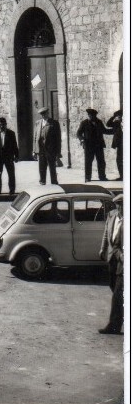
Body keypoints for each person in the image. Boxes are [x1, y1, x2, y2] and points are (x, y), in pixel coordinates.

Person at [98, 194, 124, 335]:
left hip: (123, 262)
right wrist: (103, 248)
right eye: (118, 205)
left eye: (122, 205)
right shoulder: (112, 215)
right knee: (114, 287)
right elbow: (106, 234)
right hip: (112, 258)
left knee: (118, 294)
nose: (120, 208)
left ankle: (114, 325)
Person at [77, 108, 110, 182]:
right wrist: (82, 139)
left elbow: (104, 130)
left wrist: (114, 131)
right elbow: (78, 133)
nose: (90, 116)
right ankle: (87, 177)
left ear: (95, 115)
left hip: (99, 145)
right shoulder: (84, 123)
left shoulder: (99, 122)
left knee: (101, 161)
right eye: (89, 115)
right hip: (89, 146)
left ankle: (102, 177)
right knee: (88, 162)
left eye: (92, 115)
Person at [0, 117, 19, 195]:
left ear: (6, 124)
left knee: (11, 174)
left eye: (3, 125)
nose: (1, 126)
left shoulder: (11, 133)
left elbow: (15, 146)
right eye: (0, 125)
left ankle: (12, 190)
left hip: (8, 156)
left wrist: (16, 156)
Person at [33, 107, 62, 185]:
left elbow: (58, 139)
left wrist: (58, 152)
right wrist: (34, 151)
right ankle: (42, 181)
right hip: (41, 150)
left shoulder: (54, 123)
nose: (43, 116)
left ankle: (54, 182)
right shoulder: (38, 123)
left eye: (44, 114)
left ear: (48, 113)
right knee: (41, 167)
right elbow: (35, 137)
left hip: (51, 150)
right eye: (41, 114)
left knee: (52, 167)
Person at [106, 110, 123, 180]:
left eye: (120, 116)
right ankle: (122, 176)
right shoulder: (116, 123)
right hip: (120, 145)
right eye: (117, 116)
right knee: (119, 160)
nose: (118, 118)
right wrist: (113, 116)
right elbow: (108, 124)